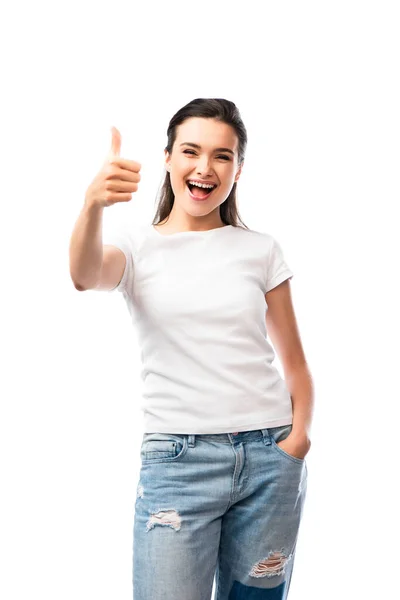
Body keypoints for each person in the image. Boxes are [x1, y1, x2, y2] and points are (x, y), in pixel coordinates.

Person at [69, 98, 314, 600]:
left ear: (238, 169)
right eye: (191, 151)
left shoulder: (260, 249)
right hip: (178, 463)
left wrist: (298, 440)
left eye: (223, 156)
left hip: (270, 457)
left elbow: (295, 362)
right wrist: (92, 204)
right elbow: (84, 275)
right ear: (168, 158)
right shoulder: (136, 246)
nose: (205, 168)